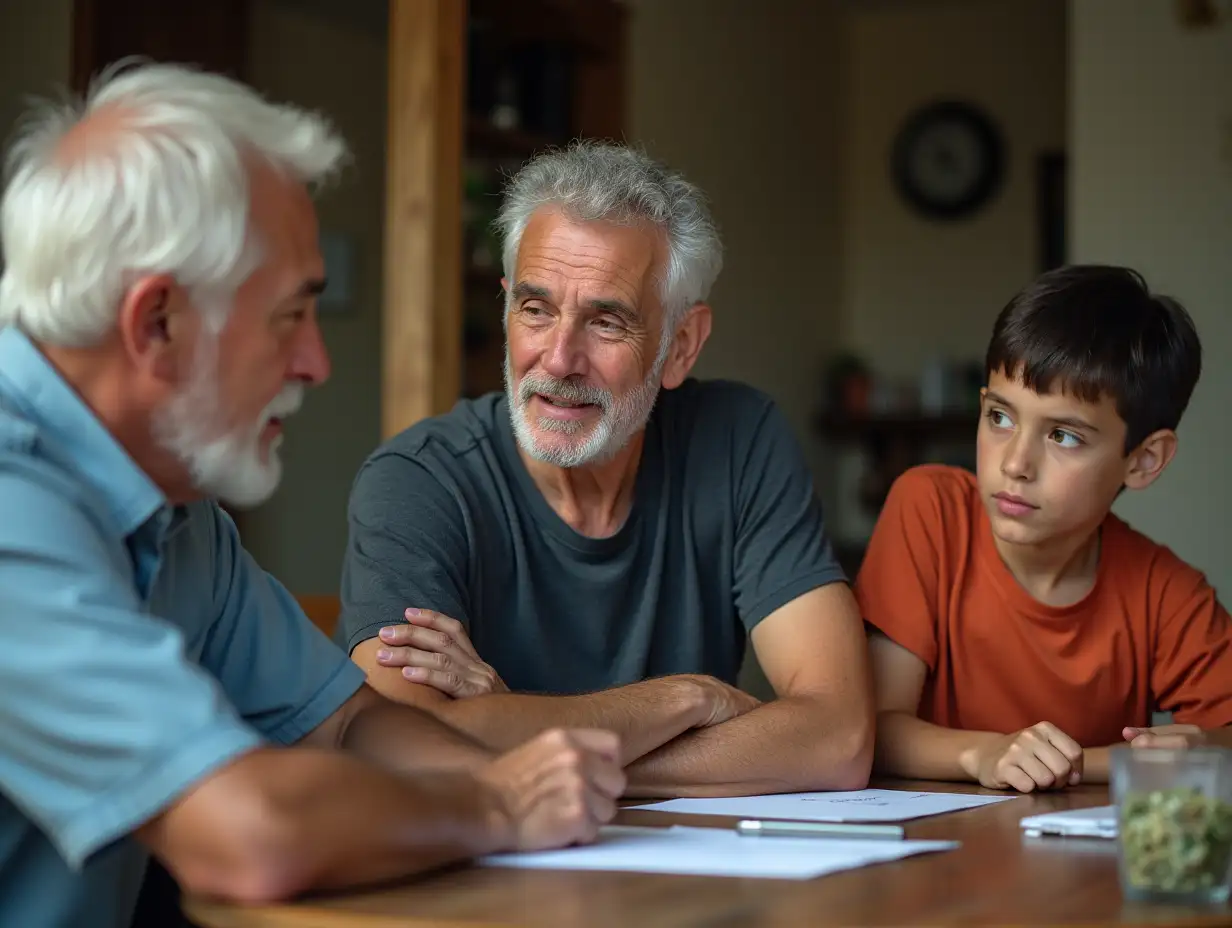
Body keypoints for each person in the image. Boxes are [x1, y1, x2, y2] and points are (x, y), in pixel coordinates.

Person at [0, 62, 625, 928]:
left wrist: (515, 784)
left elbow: (345, 725)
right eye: (290, 316)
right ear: (157, 324)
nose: (316, 364)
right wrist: (501, 809)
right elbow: (248, 833)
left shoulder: (178, 515)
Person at [335, 142, 874, 798]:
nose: (559, 359)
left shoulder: (738, 439)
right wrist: (688, 700)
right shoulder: (417, 481)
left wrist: (534, 742)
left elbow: (838, 739)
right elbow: (400, 747)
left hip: (686, 880)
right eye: (536, 309)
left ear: (680, 346)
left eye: (606, 321)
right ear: (506, 309)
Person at [856, 265, 1232, 794]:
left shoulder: (1164, 592)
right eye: (1000, 418)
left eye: (1063, 435)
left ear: (1144, 460)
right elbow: (871, 730)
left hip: (1077, 869)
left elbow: (1225, 738)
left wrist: (1203, 750)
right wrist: (982, 753)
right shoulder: (930, 508)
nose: (1015, 463)